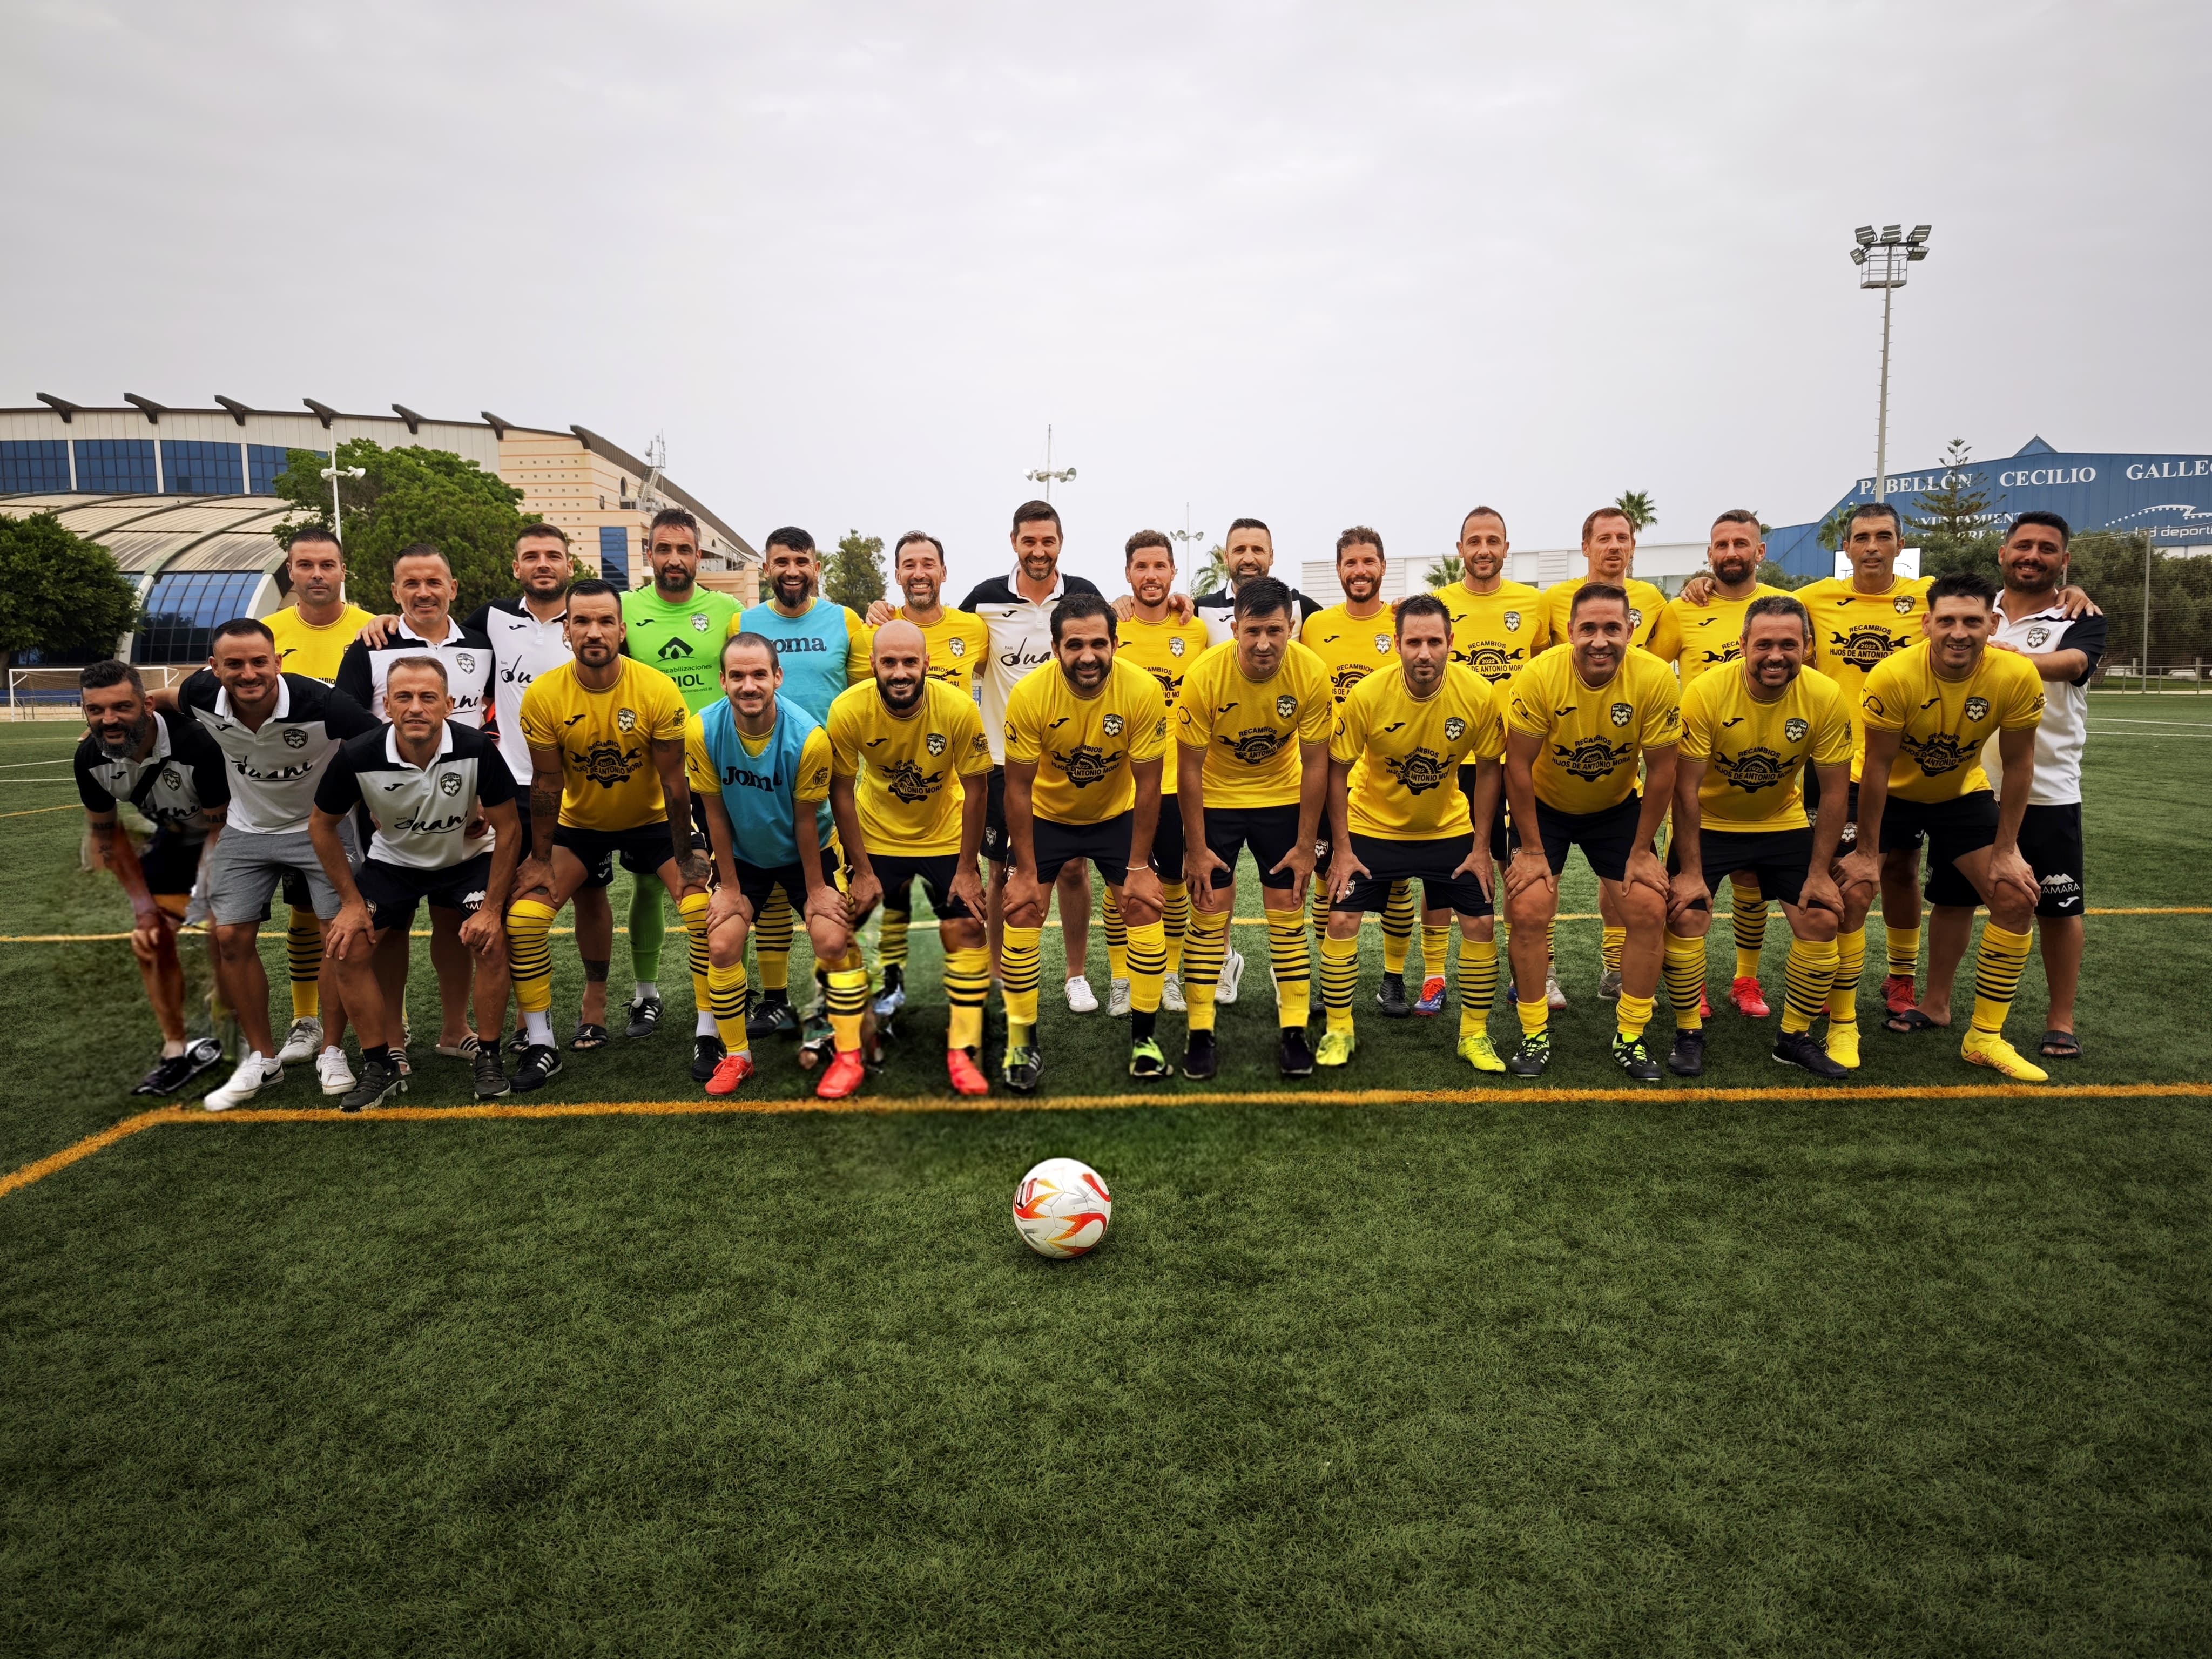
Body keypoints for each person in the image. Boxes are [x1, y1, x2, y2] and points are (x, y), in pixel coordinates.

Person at [1845, 571, 2050, 1081]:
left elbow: (2020, 764)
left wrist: (2007, 849)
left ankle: (1985, 1038)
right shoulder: (1894, 675)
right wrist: (1867, 854)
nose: (1959, 633)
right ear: (1927, 625)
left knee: (2015, 896)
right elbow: (1877, 767)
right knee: (1851, 891)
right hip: (1887, 792)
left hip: (1959, 793)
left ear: (1992, 624)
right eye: (1948, 621)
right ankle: (1842, 1026)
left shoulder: (2017, 675)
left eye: (1972, 622)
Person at [1915, 514, 2104, 1062]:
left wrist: (2009, 659)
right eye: (2023, 545)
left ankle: (2060, 1020)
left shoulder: (2077, 614)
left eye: (2047, 548)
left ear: (2063, 560)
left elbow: (2074, 663)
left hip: (2046, 788)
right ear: (2002, 553)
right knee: (1952, 900)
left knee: (2057, 907)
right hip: (1967, 787)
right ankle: (1935, 1003)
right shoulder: (1977, 610)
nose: (2032, 555)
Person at [507, 580, 700, 1094]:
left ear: (621, 629)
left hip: (653, 823)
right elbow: (547, 783)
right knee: (524, 918)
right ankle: (542, 1042)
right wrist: (540, 858)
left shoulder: (656, 688)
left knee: (703, 908)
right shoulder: (544, 694)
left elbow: (674, 782)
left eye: (605, 621)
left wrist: (687, 854)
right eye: (582, 622)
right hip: (582, 826)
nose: (594, 632)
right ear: (566, 630)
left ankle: (710, 1033)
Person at [178, 619, 379, 1109]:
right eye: (235, 664)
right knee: (229, 938)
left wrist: (373, 806)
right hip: (245, 829)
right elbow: (163, 700)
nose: (248, 673)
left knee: (339, 939)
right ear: (214, 668)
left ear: (278, 663)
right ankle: (263, 1057)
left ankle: (332, 1050)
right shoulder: (199, 693)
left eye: (258, 662)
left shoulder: (323, 704)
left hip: (320, 829)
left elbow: (378, 741)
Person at [308, 657, 521, 1108]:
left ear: (448, 704)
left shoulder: (476, 748)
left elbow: (509, 828)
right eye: (404, 697)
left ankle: (488, 1055)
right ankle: (380, 1063)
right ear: (387, 705)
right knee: (347, 948)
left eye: (428, 697)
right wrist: (350, 902)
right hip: (395, 863)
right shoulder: (359, 754)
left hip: (465, 860)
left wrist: (491, 910)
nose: (416, 707)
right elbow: (321, 825)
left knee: (491, 941)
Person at [1662, 595, 1855, 1080]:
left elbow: (1835, 792)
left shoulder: (1826, 694)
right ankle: (1688, 1032)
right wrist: (1690, 871)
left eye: (1789, 644)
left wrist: (1819, 873)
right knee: (1685, 915)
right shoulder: (1706, 691)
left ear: (1807, 647)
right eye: (1764, 644)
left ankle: (1794, 1038)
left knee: (1822, 917)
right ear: (1743, 644)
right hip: (1710, 822)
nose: (1776, 655)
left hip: (1780, 820)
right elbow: (1684, 789)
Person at [1500, 584, 1681, 1080]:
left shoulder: (1654, 678)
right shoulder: (1540, 675)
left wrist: (1641, 851)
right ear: (1570, 632)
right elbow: (1518, 766)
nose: (1600, 641)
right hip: (1545, 808)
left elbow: (1662, 771)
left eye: (1612, 629)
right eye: (1588, 629)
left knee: (1649, 909)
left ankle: (1632, 1036)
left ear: (1630, 631)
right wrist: (1531, 848)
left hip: (1615, 808)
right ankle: (1534, 1033)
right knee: (1528, 909)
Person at [1320, 594, 1508, 1072]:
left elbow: (1490, 769)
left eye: (1434, 642)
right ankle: (1339, 1031)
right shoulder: (1368, 695)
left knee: (1481, 924)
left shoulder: (1478, 694)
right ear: (1397, 644)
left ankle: (1474, 1035)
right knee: (1340, 921)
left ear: (1451, 642)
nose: (1424, 653)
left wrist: (1481, 848)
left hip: (1447, 827)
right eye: (1414, 642)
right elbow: (1337, 771)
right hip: (1372, 826)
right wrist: (1342, 848)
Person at [335, 543, 498, 1070]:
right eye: (411, 583)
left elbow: (492, 715)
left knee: (454, 922)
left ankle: (455, 1029)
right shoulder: (371, 645)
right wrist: (381, 788)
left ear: (453, 588)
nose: (424, 592)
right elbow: (346, 721)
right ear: (394, 592)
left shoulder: (481, 644)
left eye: (434, 582)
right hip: (391, 811)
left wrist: (480, 795)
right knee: (392, 927)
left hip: (464, 810)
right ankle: (392, 1037)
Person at [999, 593, 1170, 1090]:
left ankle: (1145, 1041)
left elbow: (1150, 786)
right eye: (1075, 645)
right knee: (1022, 911)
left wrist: (1138, 867)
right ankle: (1022, 1046)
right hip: (1048, 817)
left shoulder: (1142, 690)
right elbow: (1017, 788)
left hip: (1115, 816)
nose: (1088, 655)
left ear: (1115, 643)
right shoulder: (1030, 695)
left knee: (1143, 906)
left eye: (1098, 643)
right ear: (1056, 648)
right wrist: (1025, 872)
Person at [691, 633, 867, 1099]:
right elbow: (713, 814)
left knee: (832, 938)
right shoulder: (702, 729)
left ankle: (848, 1052)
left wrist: (817, 891)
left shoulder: (808, 736)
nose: (749, 685)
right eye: (738, 676)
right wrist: (730, 888)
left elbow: (806, 821)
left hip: (806, 852)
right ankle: (738, 1056)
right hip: (744, 855)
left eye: (759, 675)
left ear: (778, 677)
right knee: (722, 943)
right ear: (723, 680)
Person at [948, 502, 1107, 1015]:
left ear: (1061, 542)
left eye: (1048, 541)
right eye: (1029, 541)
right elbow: (942, 634)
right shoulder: (984, 600)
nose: (1039, 551)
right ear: (1014, 542)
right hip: (1003, 759)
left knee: (1073, 869)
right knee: (1001, 872)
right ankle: (998, 974)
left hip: (1069, 763)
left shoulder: (1085, 595)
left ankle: (1076, 975)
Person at [1173, 577, 1333, 1079]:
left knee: (1287, 914)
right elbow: (1188, 769)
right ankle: (1200, 1033)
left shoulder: (1311, 672)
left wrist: (1306, 845)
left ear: (1292, 627)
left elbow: (1316, 764)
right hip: (1217, 799)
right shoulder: (1204, 675)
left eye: (1274, 631)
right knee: (1208, 914)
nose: (1264, 643)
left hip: (1280, 799)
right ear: (1235, 628)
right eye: (1253, 631)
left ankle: (1294, 1032)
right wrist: (1195, 847)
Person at [826, 620, 994, 1095]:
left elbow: (978, 788)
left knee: (966, 929)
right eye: (889, 662)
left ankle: (963, 1051)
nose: (899, 672)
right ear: (873, 665)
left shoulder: (957, 707)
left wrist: (968, 869)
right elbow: (841, 790)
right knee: (840, 934)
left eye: (909, 662)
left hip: (944, 836)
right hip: (876, 836)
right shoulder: (848, 708)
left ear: (925, 664)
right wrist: (861, 870)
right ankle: (849, 1051)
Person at [1534, 507, 1682, 1005]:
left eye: (1623, 537)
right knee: (1536, 889)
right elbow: (1539, 658)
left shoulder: (1654, 603)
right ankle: (1541, 972)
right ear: (1586, 546)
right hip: (1556, 760)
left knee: (1629, 886)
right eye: (1604, 538)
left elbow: (1656, 662)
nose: (1614, 546)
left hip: (1617, 773)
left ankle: (1617, 970)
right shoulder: (1551, 600)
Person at [734, 526, 873, 1044]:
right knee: (771, 894)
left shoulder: (844, 620)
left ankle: (844, 1006)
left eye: (801, 561)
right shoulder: (744, 622)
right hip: (760, 778)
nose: (791, 571)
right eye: (781, 562)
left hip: (830, 779)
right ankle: (775, 1001)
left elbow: (863, 693)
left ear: (816, 568)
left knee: (835, 901)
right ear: (766, 568)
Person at [76, 659, 230, 1097]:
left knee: (228, 933)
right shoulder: (90, 758)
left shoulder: (197, 744)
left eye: (121, 707)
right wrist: (145, 911)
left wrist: (206, 899)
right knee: (149, 941)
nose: (109, 720)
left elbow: (220, 831)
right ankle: (175, 1049)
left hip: (233, 836)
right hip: (176, 838)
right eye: (96, 710)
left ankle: (234, 1018)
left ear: (146, 705)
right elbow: (108, 836)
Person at [620, 508, 742, 1042]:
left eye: (684, 549)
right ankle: (645, 993)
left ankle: (728, 990)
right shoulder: (625, 608)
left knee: (726, 882)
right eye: (664, 549)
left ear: (699, 555)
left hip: (715, 771)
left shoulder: (728, 611)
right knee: (648, 884)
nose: (674, 559)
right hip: (650, 776)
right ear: (649, 554)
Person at [1662, 510, 1790, 1020]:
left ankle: (1746, 980)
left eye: (1742, 543)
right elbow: (1647, 666)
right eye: (1722, 545)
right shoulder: (1683, 609)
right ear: (1710, 553)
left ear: (1760, 552)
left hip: (1767, 769)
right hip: (1698, 774)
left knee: (1753, 886)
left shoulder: (1785, 606)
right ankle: (1692, 985)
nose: (1731, 552)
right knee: (1688, 889)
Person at [1433, 506, 1559, 1013]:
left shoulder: (1534, 603)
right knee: (1450, 864)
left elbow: (1547, 665)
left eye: (1493, 541)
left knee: (1525, 865)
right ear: (1460, 549)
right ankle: (1435, 976)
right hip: (1457, 757)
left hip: (1521, 759)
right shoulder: (1438, 603)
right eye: (1474, 541)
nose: (1483, 550)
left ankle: (1539, 970)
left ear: (1507, 548)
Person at [262, 527, 376, 1075]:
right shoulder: (267, 634)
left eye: (327, 565)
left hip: (362, 794)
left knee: (368, 908)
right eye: (305, 565)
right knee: (306, 911)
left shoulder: (375, 629)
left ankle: (385, 1015)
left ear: (343, 571)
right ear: (291, 571)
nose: (316, 575)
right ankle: (305, 1020)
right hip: (295, 797)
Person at [1300, 526, 1427, 1017]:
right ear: (1338, 569)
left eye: (1368, 562)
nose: (1360, 571)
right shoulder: (1316, 626)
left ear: (1383, 567)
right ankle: (1326, 975)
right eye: (1351, 563)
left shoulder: (1400, 623)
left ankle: (1393, 979)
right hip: (1327, 774)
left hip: (1385, 778)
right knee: (1324, 876)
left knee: (1396, 883)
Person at [865, 531, 990, 1022]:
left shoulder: (973, 628)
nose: (919, 573)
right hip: (885, 806)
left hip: (948, 807)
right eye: (909, 565)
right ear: (897, 574)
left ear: (943, 572)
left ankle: (968, 998)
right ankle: (890, 986)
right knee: (881, 914)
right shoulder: (872, 630)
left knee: (964, 919)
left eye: (928, 563)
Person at [1107, 531, 1211, 1017]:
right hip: (1120, 781)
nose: (1151, 576)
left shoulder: (1196, 629)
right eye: (1142, 567)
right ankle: (1121, 978)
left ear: (1173, 572)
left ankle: (1168, 974)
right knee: (1120, 882)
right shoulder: (1112, 626)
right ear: (1128, 574)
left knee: (1172, 881)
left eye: (1159, 567)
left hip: (1175, 781)